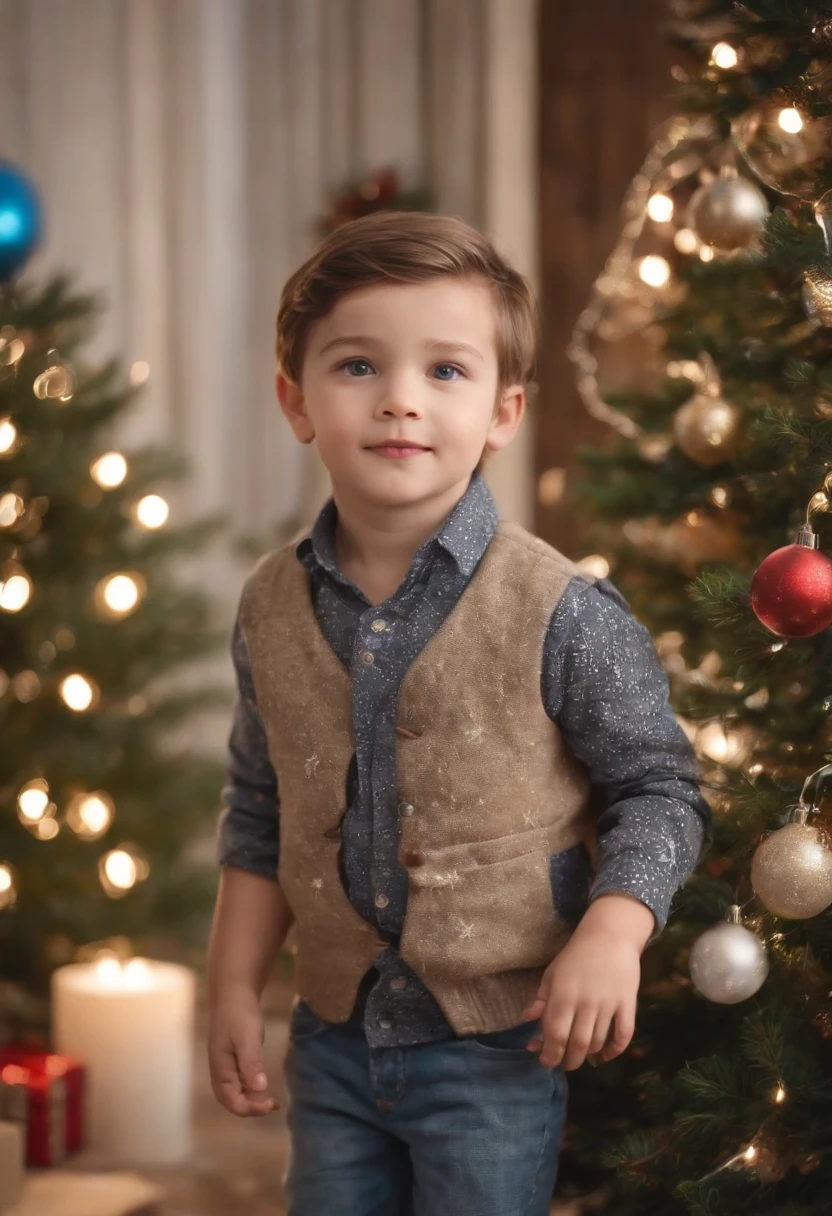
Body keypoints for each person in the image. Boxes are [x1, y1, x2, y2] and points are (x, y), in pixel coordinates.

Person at [206, 211, 711, 1216]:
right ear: (294, 400)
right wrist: (229, 984)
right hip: (333, 1033)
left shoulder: (561, 608)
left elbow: (659, 791)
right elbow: (259, 807)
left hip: (496, 1045)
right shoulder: (269, 604)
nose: (399, 400)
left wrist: (612, 933)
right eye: (357, 367)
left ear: (504, 410)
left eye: (445, 371)